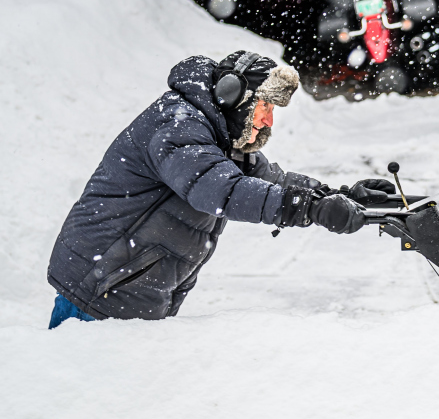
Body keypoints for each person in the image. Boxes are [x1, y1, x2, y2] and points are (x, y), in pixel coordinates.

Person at [47, 51, 395, 329]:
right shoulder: (177, 124)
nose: (267, 121)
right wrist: (306, 208)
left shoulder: (220, 138)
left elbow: (272, 179)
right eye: (265, 106)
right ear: (232, 96)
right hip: (98, 289)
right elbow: (220, 191)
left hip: (127, 287)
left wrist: (338, 195)